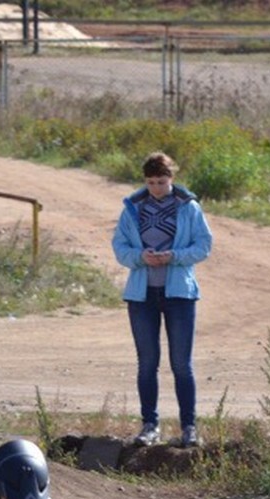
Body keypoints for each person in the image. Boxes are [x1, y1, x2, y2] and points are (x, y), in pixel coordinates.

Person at [111, 150, 214, 448]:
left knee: (181, 363)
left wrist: (174, 256)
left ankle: (189, 428)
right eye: (151, 182)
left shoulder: (188, 207)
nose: (156, 188)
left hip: (179, 294)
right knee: (147, 363)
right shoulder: (133, 208)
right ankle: (150, 426)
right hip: (142, 295)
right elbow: (120, 247)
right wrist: (140, 257)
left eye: (162, 182)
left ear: (172, 178)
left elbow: (204, 245)